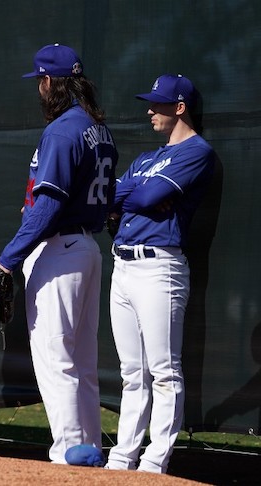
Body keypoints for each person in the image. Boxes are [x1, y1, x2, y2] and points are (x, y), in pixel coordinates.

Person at [0, 44, 118, 463]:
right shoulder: (99, 128)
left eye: (40, 82)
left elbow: (47, 207)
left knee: (54, 355)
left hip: (60, 249)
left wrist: (6, 260)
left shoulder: (62, 130)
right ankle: (90, 447)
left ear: (49, 82)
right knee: (82, 361)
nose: (39, 91)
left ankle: (70, 452)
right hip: (87, 249)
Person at [105, 74, 215, 473]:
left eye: (158, 103)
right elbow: (110, 201)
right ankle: (122, 457)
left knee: (164, 371)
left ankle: (154, 463)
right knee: (132, 372)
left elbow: (146, 195)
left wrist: (134, 196)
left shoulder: (197, 150)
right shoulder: (145, 159)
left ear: (180, 107)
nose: (150, 110)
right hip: (123, 264)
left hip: (159, 267)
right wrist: (135, 197)